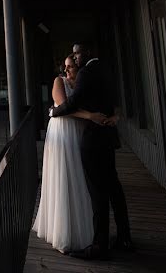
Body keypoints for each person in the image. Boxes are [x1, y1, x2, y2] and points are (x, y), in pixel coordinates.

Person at [50, 42, 132, 259]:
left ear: (85, 55)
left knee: (98, 193)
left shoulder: (86, 73)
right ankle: (125, 237)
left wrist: (53, 112)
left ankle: (99, 245)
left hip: (94, 139)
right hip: (107, 137)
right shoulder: (105, 70)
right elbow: (114, 99)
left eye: (75, 58)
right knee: (113, 187)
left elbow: (72, 103)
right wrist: (116, 116)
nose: (73, 63)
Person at [32, 55, 106, 253]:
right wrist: (90, 116)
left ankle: (87, 229)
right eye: (65, 67)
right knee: (65, 174)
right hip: (63, 131)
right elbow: (63, 106)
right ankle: (64, 231)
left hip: (79, 131)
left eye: (70, 67)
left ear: (78, 68)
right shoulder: (59, 81)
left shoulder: (83, 82)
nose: (66, 71)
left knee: (81, 176)